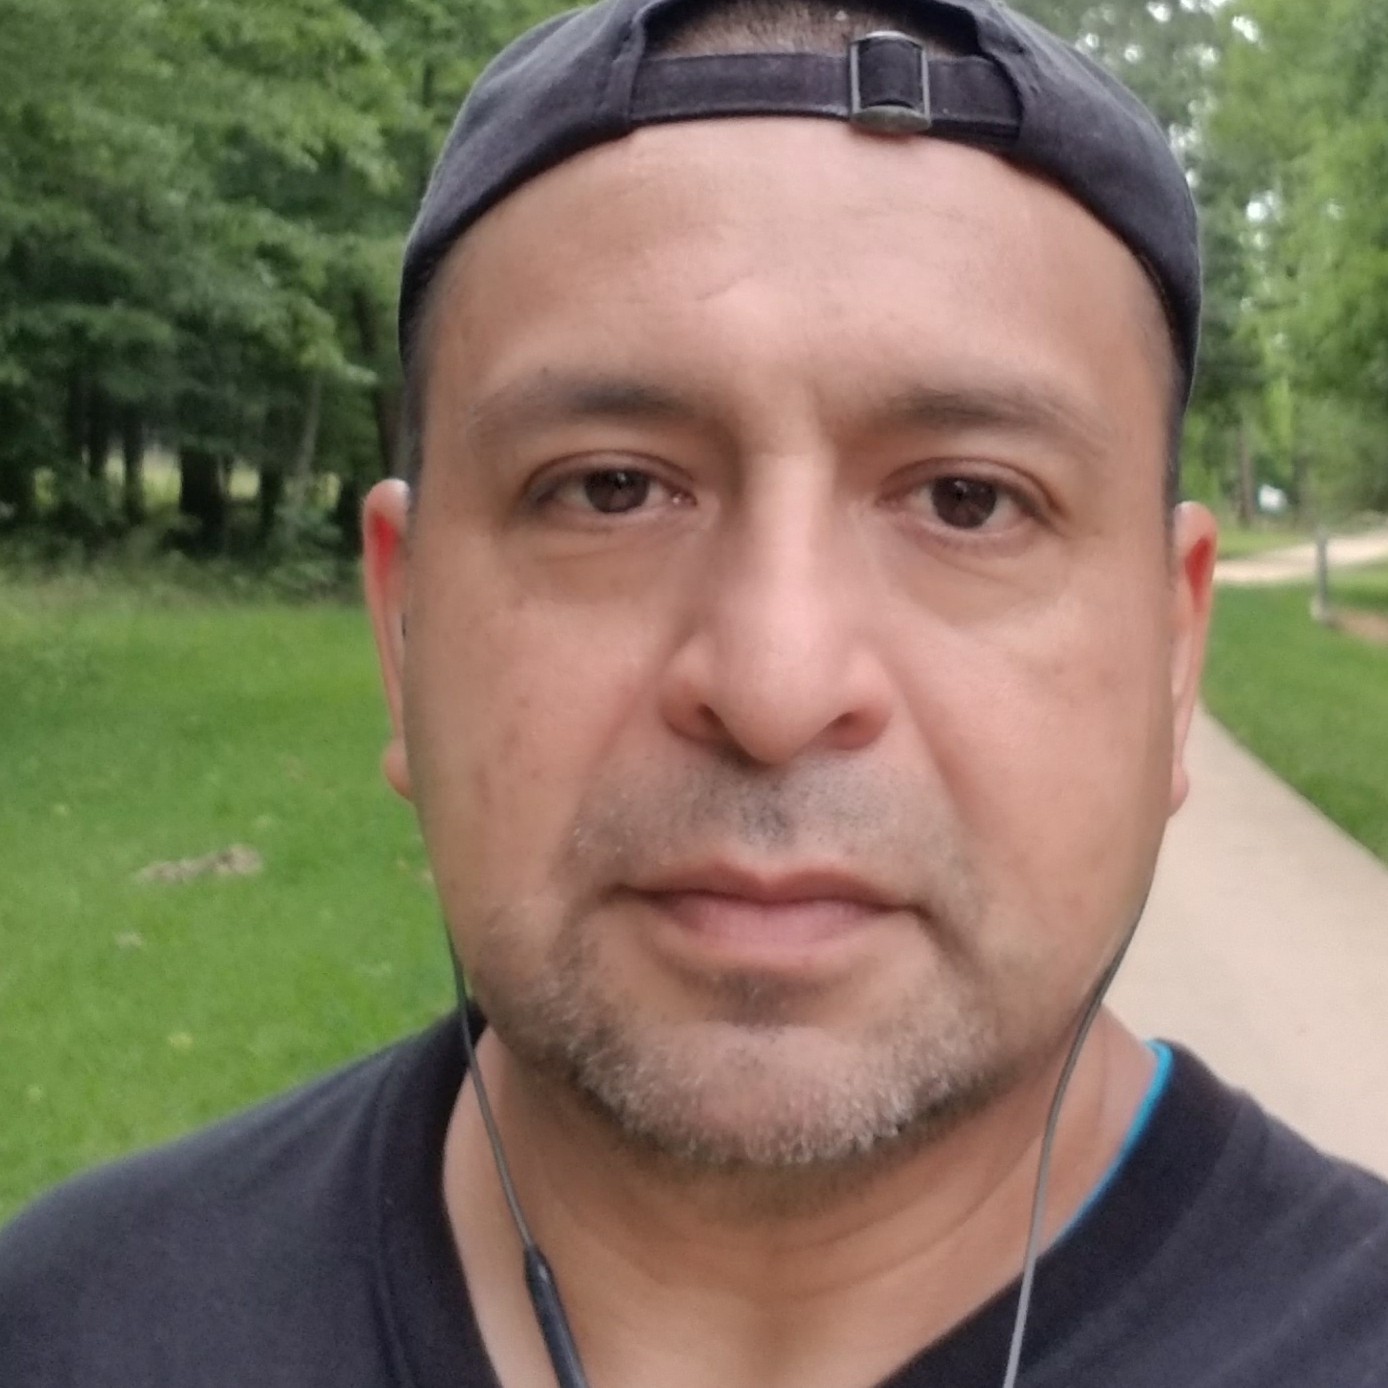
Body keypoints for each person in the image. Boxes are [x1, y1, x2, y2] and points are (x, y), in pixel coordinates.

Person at [3, 0, 1387, 1385]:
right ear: (403, 627)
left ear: (1174, 653)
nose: (776, 688)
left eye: (969, 501)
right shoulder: (67, 1332)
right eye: (610, 489)